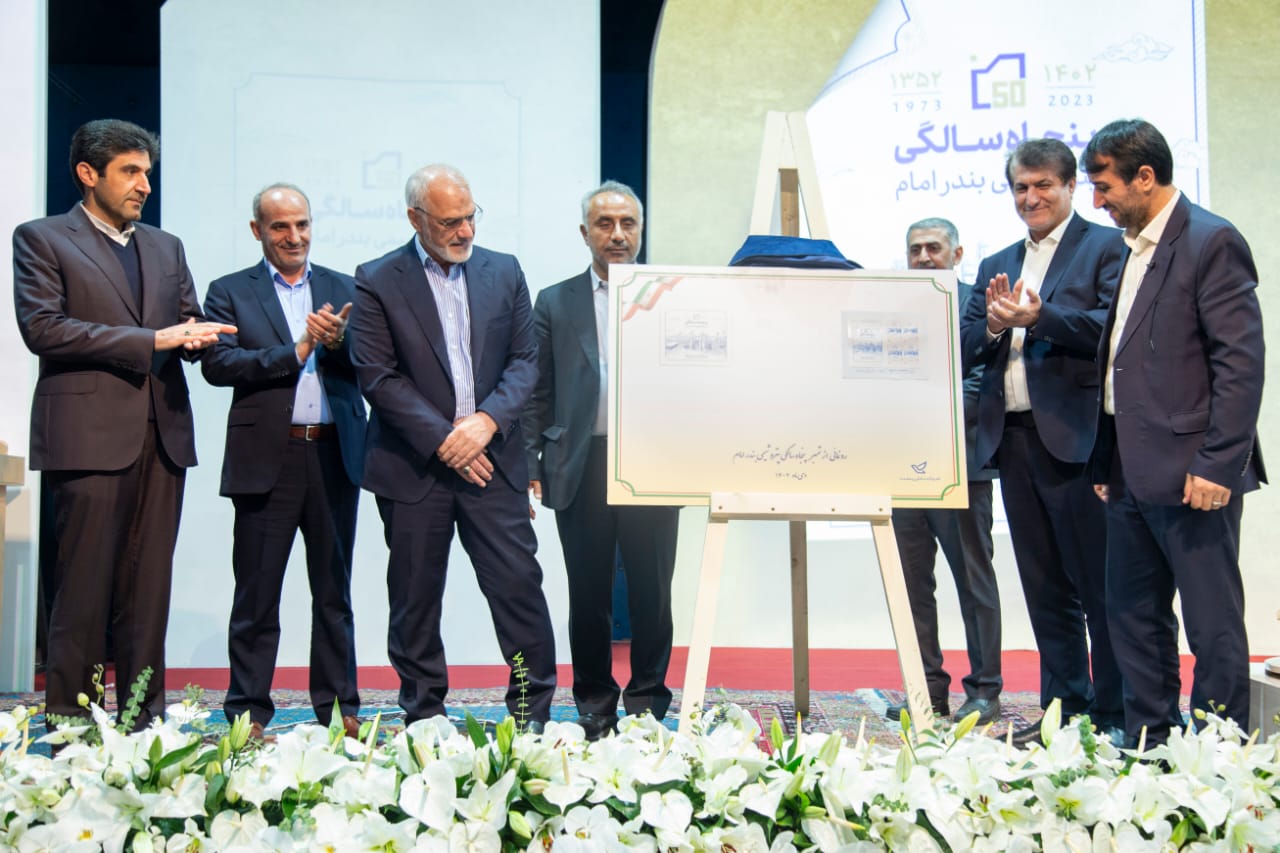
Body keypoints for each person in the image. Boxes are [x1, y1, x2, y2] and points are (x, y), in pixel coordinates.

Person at [12, 119, 234, 730]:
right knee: (83, 592)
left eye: (148, 174)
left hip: (162, 437)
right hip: (86, 437)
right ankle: (73, 730)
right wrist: (153, 340)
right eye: (130, 172)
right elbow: (44, 328)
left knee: (148, 592)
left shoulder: (166, 246)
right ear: (88, 174)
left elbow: (185, 319)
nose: (144, 186)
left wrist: (198, 338)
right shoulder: (42, 238)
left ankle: (143, 725)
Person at [349, 164, 556, 731]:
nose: (465, 231)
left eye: (469, 217)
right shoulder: (377, 278)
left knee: (517, 589)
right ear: (415, 219)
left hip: (494, 463)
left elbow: (524, 362)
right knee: (415, 599)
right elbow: (378, 377)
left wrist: (485, 424)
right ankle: (425, 716)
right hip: (415, 468)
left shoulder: (504, 270)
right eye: (449, 222)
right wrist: (447, 440)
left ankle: (530, 711)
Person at [1083, 119, 1265, 745]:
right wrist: (1107, 462)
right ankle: (1151, 742)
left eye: (1104, 187)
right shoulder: (1128, 248)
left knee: (1211, 622)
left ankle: (1218, 754)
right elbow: (1123, 359)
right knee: (1133, 615)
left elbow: (1240, 365)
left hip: (1195, 472)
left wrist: (1219, 464)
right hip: (1129, 471)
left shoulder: (1212, 241)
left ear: (1145, 176)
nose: (1096, 202)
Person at [958, 138, 1125, 744]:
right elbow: (965, 345)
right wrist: (993, 323)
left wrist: (1040, 318)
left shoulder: (1106, 247)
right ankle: (1064, 711)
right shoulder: (997, 261)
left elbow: (1113, 329)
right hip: (1014, 440)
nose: (1031, 198)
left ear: (1071, 186)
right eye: (1021, 188)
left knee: (1099, 586)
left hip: (1079, 441)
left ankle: (1115, 714)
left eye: (1043, 186)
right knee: (1044, 586)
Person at [201, 183, 367, 741]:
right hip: (265, 459)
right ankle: (247, 715)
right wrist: (295, 351)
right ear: (258, 231)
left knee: (334, 591)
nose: (294, 236)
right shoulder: (229, 291)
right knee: (256, 593)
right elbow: (218, 365)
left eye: (302, 224)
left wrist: (338, 343)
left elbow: (374, 363)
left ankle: (340, 710)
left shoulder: (346, 287)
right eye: (280, 227)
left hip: (334, 453)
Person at [523, 181, 679, 741]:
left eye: (627, 223)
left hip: (653, 461)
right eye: (604, 224)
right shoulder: (554, 301)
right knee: (588, 593)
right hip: (581, 461)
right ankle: (594, 702)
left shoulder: (671, 296)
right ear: (585, 232)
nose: (617, 234)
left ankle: (647, 702)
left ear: (641, 229)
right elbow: (537, 388)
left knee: (652, 591)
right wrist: (531, 463)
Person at [886, 218, 1002, 726]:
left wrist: (925, 412)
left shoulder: (980, 303)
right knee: (912, 587)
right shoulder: (892, 310)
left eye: (934, 248)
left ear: (957, 254)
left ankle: (985, 691)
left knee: (974, 584)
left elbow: (980, 380)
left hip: (960, 468)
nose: (923, 257)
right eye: (915, 250)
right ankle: (926, 691)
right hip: (900, 469)